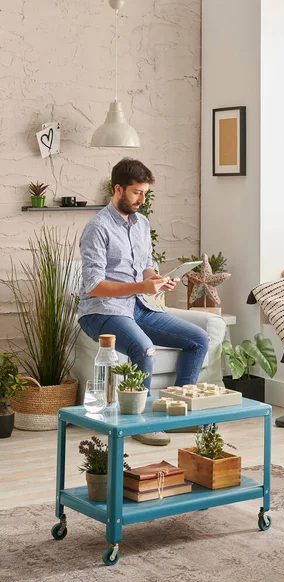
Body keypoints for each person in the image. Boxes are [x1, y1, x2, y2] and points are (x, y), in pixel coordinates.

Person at [78, 158, 209, 446]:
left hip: (139, 306)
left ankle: (177, 415)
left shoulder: (142, 223)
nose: (141, 199)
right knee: (144, 349)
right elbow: (94, 285)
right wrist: (142, 285)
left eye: (145, 193)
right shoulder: (97, 228)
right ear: (118, 189)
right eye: (136, 192)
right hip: (102, 311)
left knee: (198, 339)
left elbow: (146, 267)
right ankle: (137, 424)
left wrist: (159, 280)